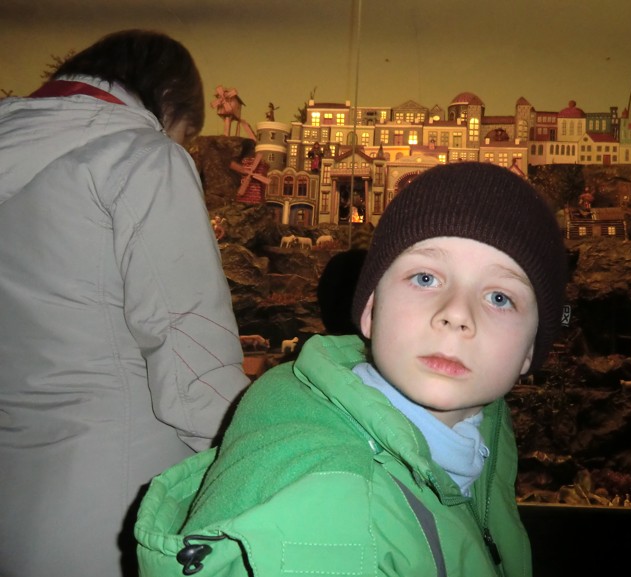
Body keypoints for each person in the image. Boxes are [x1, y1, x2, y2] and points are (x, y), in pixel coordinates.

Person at [135, 162, 569, 576]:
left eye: (499, 298)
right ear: (370, 310)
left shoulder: (485, 430)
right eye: (425, 278)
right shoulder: (331, 512)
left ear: (530, 349)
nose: (456, 313)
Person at [0, 30, 250, 577]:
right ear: (168, 102)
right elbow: (191, 359)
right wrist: (261, 450)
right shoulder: (141, 158)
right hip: (115, 497)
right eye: (185, 135)